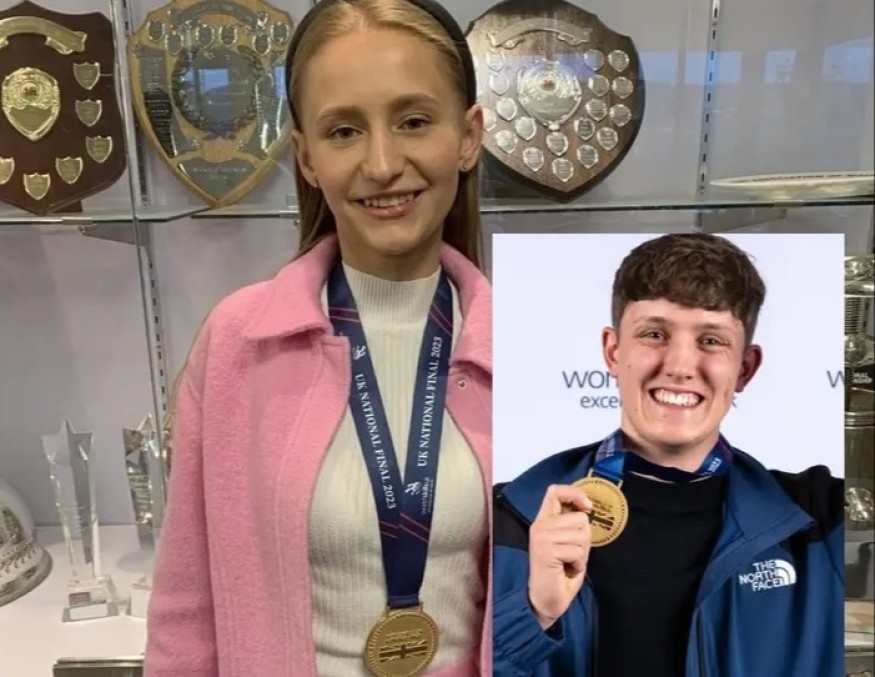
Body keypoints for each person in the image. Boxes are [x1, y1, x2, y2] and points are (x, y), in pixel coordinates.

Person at [144, 1, 492, 675]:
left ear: (468, 135)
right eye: (344, 131)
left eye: (414, 121)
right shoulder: (238, 343)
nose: (382, 163)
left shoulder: (524, 351)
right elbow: (186, 608)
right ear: (305, 157)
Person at [492, 234, 844, 677]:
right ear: (613, 352)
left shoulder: (819, 519)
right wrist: (533, 613)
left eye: (711, 340)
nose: (679, 366)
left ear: (745, 368)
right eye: (654, 334)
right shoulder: (505, 520)